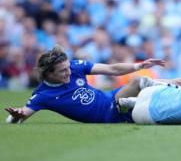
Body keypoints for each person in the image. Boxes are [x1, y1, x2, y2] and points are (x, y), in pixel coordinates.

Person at [4, 45, 165, 124]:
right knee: (151, 100)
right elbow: (19, 115)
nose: (69, 72)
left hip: (112, 97)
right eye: (62, 71)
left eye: (68, 67)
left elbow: (112, 69)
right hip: (108, 114)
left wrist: (139, 66)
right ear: (49, 74)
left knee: (141, 83)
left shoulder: (74, 66)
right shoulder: (43, 95)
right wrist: (15, 117)